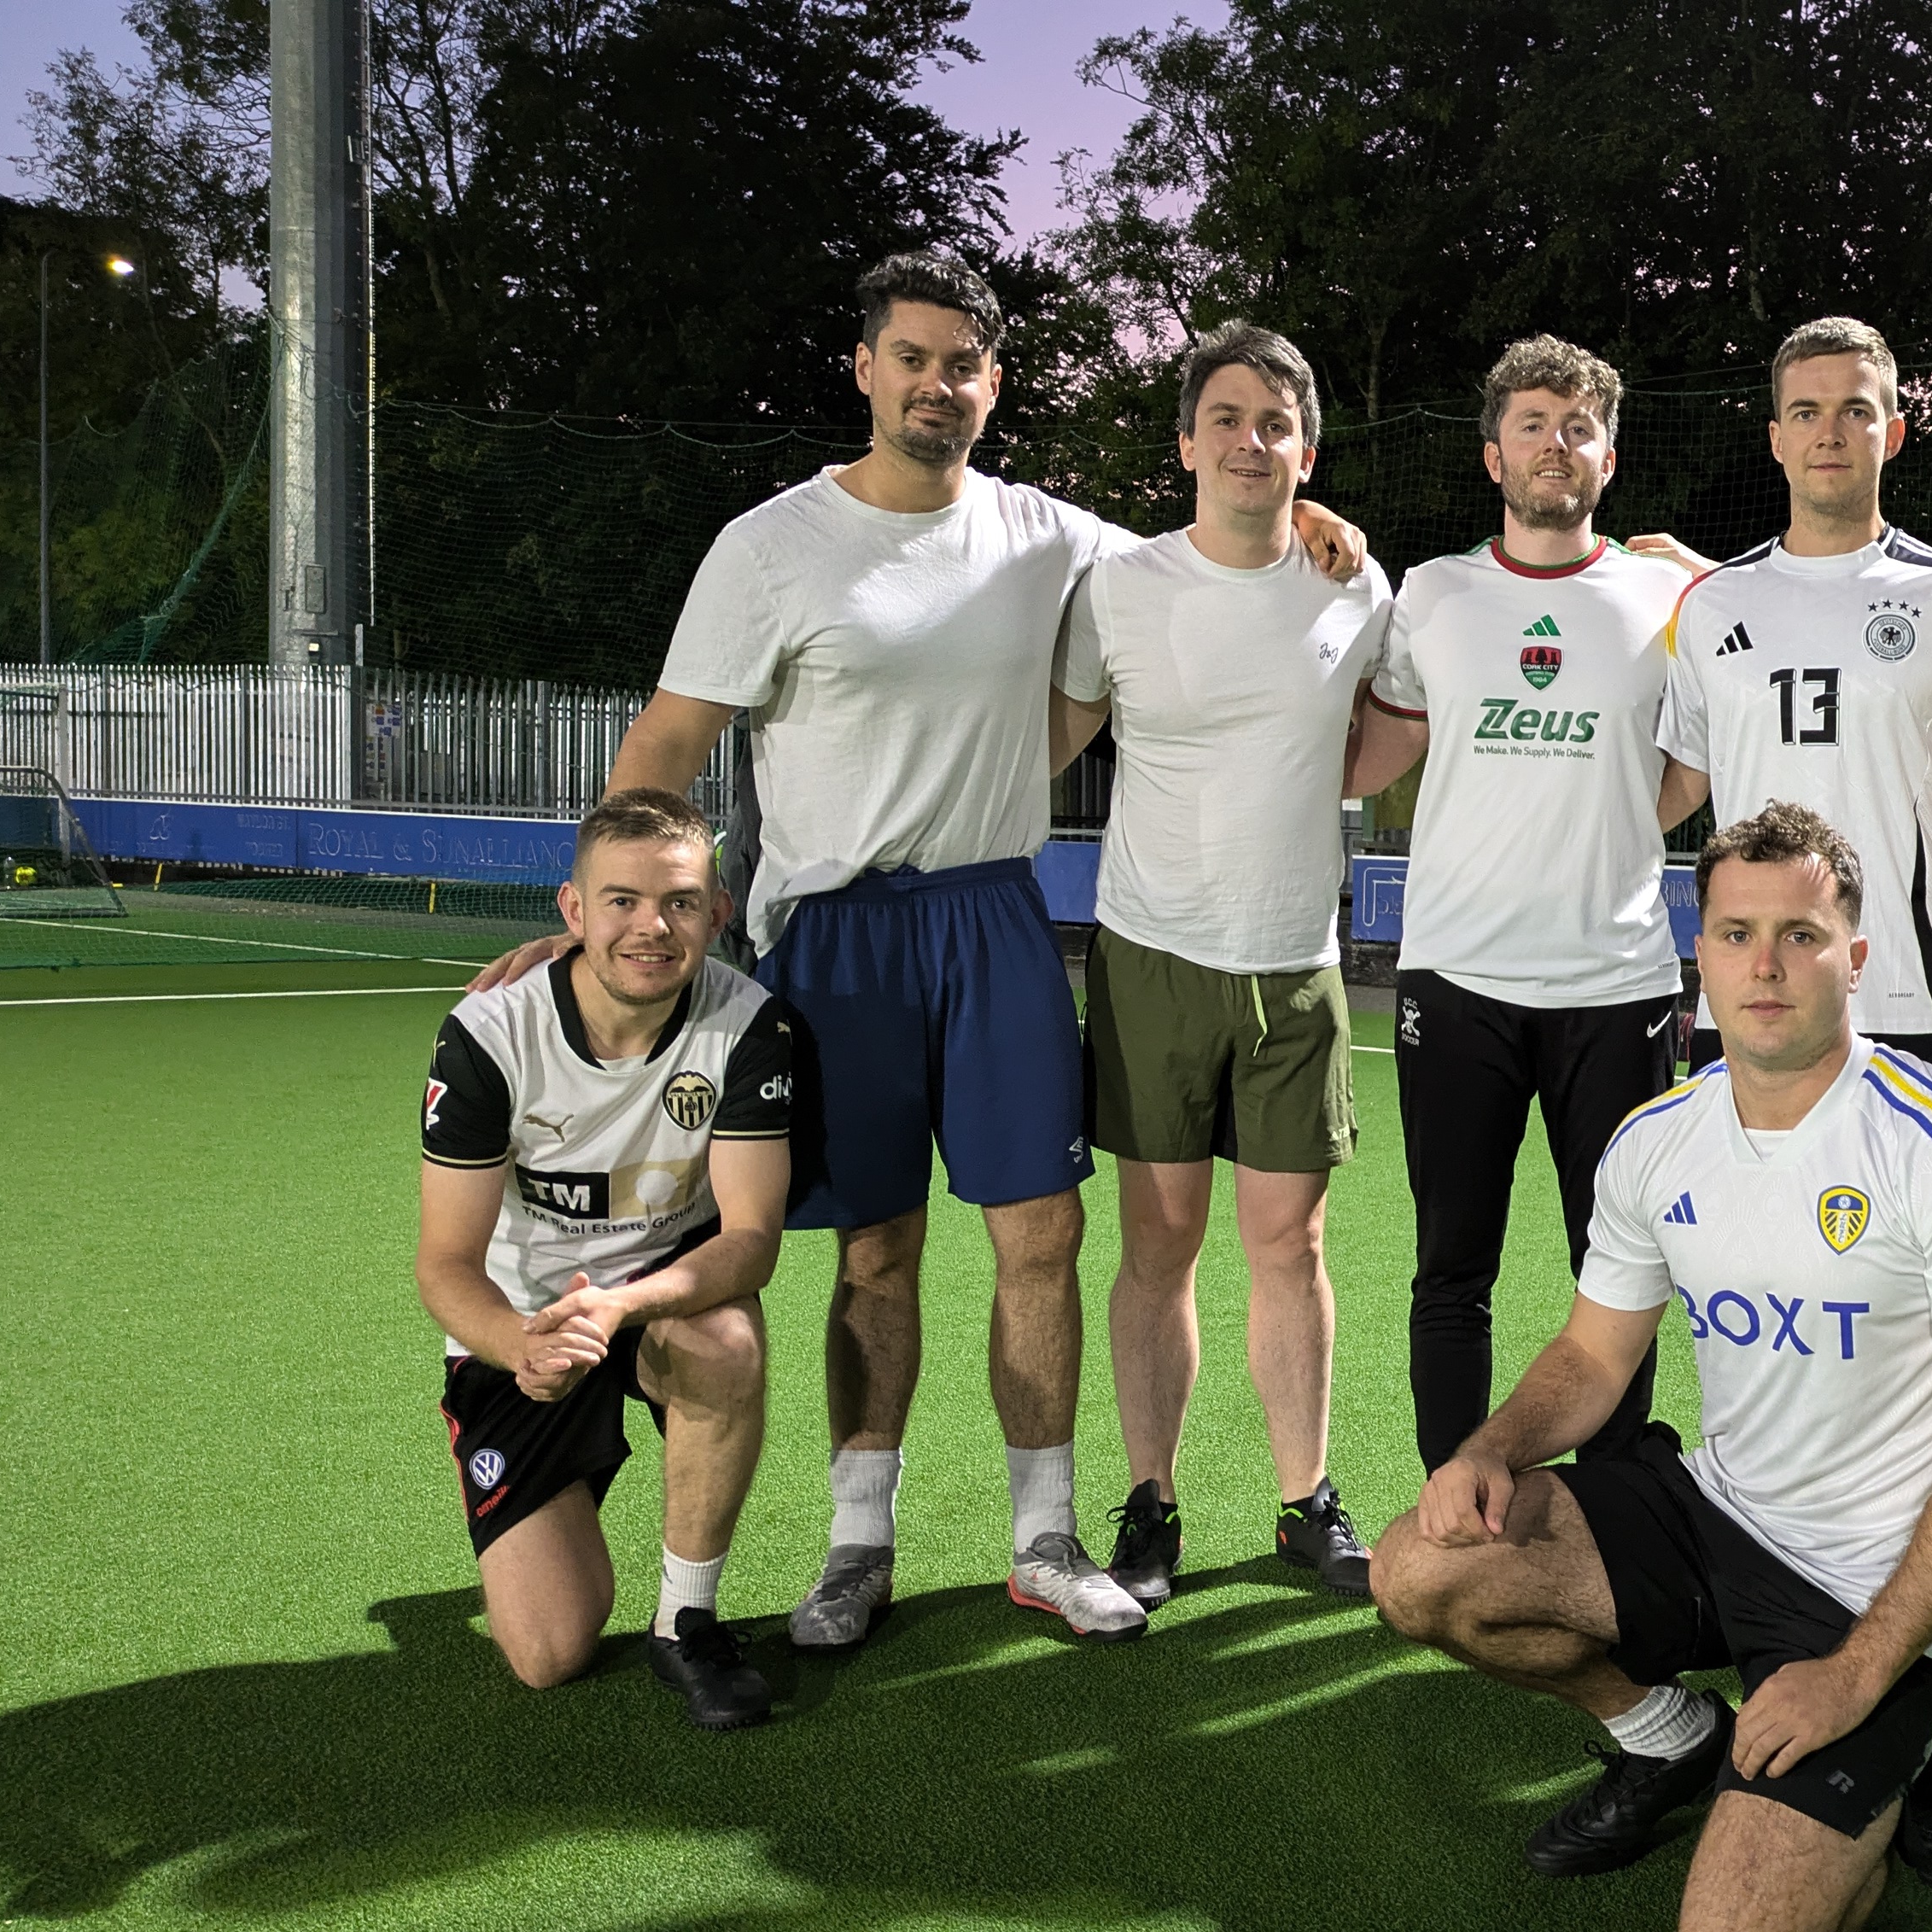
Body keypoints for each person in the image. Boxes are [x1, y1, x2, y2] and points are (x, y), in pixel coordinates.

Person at [468, 254, 1366, 1651]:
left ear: (992, 384)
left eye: (963, 363)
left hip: (995, 914)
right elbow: (666, 747)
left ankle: (1045, 1535)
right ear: (866, 367)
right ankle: (858, 1542)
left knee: (1043, 1233)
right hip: (835, 930)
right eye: (911, 357)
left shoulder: (1051, 537)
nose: (935, 383)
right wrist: (585, 906)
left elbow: (1213, 541)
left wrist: (1317, 522)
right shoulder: (770, 547)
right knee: (872, 1250)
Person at [1369, 803, 1932, 1931]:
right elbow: (1595, 1356)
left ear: (1857, 958)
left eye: (1800, 934)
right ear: (1701, 954)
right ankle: (1665, 1734)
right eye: (1737, 934)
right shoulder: (1656, 1141)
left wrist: (1856, 1669)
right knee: (1418, 1573)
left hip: (1868, 1589)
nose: (1766, 966)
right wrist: (1488, 1449)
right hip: (1718, 1515)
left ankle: (1930, 1724)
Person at [1048, 320, 1396, 1602]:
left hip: (1295, 966)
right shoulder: (1122, 585)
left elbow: (1399, 716)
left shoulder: (1358, 584)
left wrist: (1320, 786)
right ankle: (1152, 1505)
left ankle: (1306, 1505)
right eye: (1231, 418)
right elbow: (1057, 725)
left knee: (1290, 1247)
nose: (1253, 441)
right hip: (1151, 959)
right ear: (1187, 439)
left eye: (1279, 422)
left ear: (1308, 447)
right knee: (1158, 1245)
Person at [1343, 335, 1713, 1472]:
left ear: (1611, 452)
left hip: (1620, 989)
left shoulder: (1668, 598)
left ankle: (1612, 1512)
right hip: (1456, 985)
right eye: (1533, 425)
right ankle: (1454, 1514)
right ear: (1493, 455)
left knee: (1619, 1261)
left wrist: (1604, 829)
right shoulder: (1434, 594)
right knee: (1453, 1265)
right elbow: (1382, 742)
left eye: (1579, 427)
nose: (1557, 444)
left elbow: (1692, 761)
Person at [417, 787, 793, 1730]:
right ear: (573, 910)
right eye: (621, 901)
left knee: (723, 1342)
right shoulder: (488, 1037)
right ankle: (556, 1466)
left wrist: (624, 1307)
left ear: (715, 912)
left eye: (676, 902)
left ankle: (685, 1621)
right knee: (549, 1654)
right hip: (529, 1323)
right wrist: (520, 1344)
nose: (650, 928)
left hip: (659, 1301)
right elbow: (445, 1263)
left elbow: (749, 1242)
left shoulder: (749, 1026)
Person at [1655, 318, 1932, 1077]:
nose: (1831, 433)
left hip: (1900, 994)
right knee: (1738, 1202)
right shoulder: (1709, 604)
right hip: (1748, 996)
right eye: (1806, 414)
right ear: (1777, 439)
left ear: (1894, 432)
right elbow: (1681, 782)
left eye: (1856, 410)